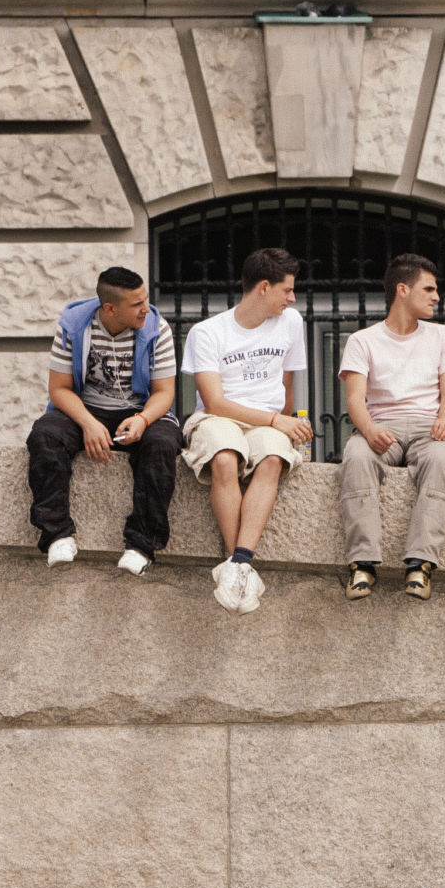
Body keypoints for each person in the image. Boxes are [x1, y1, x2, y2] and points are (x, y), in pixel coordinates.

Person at [25, 264, 180, 577]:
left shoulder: (156, 327)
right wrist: (88, 423)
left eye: (146, 300)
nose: (146, 309)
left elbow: (164, 393)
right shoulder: (73, 326)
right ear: (110, 308)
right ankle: (57, 536)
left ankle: (141, 546)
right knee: (45, 435)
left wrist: (143, 419)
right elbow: (59, 390)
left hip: (142, 409)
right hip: (86, 407)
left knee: (162, 444)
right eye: (136, 304)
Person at [179, 247, 308, 613]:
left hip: (267, 420)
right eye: (287, 289)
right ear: (264, 287)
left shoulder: (291, 323)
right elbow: (214, 402)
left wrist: (291, 421)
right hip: (219, 418)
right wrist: (275, 420)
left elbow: (286, 384)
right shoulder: (207, 333)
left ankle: (238, 563)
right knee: (224, 457)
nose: (292, 298)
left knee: (271, 458)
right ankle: (242, 565)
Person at [337, 252, 445, 603]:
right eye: (429, 289)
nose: (437, 297)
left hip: (430, 428)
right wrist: (369, 428)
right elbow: (354, 400)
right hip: (381, 427)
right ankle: (361, 564)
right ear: (402, 290)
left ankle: (420, 565)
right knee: (357, 456)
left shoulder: (442, 336)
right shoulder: (363, 340)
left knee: (443, 460)